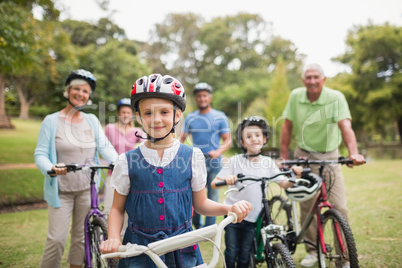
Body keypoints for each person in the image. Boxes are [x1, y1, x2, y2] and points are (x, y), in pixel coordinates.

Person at [100, 74, 252, 267]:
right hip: (140, 251)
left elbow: (201, 204)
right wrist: (113, 237)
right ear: (138, 116)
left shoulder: (192, 156)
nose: (156, 119)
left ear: (177, 115)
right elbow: (117, 208)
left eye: (164, 112)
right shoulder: (127, 161)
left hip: (183, 248)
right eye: (148, 113)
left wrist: (228, 208)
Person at [280, 63, 365, 267]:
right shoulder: (296, 96)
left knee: (339, 206)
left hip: (329, 155)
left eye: (316, 77)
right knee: (307, 207)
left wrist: (353, 153)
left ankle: (343, 257)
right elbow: (287, 126)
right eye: (308, 77)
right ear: (303, 81)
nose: (312, 81)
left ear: (323, 80)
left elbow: (346, 126)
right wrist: (284, 157)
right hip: (303, 156)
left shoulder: (335, 98)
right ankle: (312, 250)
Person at [34, 69, 118, 268]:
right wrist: (52, 168)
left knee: (82, 239)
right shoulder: (51, 121)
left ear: (89, 96)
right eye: (76, 89)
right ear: (67, 91)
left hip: (86, 190)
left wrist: (119, 162)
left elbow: (104, 146)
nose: (80, 94)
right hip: (61, 191)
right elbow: (40, 154)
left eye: (85, 91)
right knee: (56, 239)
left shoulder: (91, 120)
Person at [211, 116, 300, 268]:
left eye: (258, 135)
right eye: (248, 136)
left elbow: (284, 184)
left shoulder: (268, 162)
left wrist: (294, 175)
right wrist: (227, 179)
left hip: (252, 217)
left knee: (245, 252)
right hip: (233, 214)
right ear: (242, 142)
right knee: (232, 250)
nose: (254, 139)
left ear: (264, 138)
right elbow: (214, 184)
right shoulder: (235, 161)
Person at [179, 82, 232, 229]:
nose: (202, 99)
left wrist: (218, 152)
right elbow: (181, 139)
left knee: (213, 196)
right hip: (196, 162)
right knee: (195, 195)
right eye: (199, 96)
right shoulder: (190, 118)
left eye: (204, 96)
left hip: (214, 163)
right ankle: (198, 226)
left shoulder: (219, 117)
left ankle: (210, 229)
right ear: (196, 98)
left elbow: (228, 140)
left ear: (210, 97)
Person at [104, 98, 143, 217]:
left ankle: (124, 234)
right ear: (118, 114)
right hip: (113, 172)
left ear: (132, 115)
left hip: (131, 173)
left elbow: (145, 148)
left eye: (128, 113)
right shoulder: (110, 128)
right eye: (123, 112)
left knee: (128, 209)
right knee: (110, 207)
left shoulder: (137, 131)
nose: (125, 115)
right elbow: (104, 148)